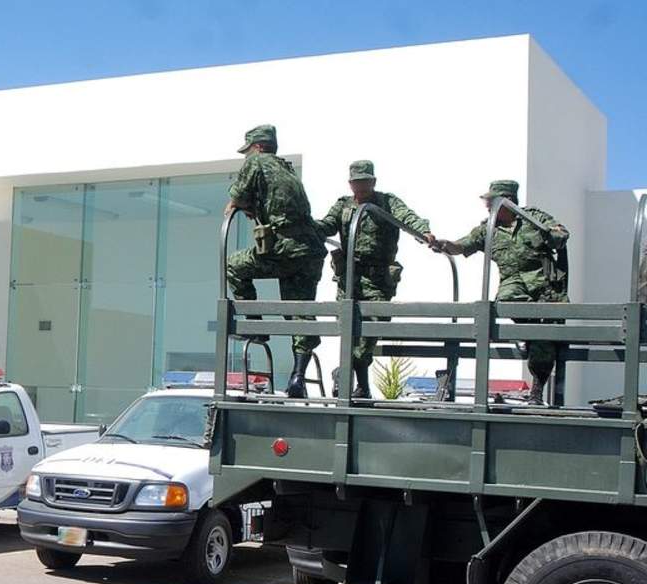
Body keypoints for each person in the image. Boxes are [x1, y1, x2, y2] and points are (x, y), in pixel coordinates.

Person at [433, 180, 570, 405]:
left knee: (543, 342)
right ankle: (526, 334)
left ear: (507, 201)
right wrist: (443, 245)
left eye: (492, 201)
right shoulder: (489, 229)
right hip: (514, 285)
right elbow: (462, 245)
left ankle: (536, 391)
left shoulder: (533, 218)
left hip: (544, 287)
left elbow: (561, 235)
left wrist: (551, 234)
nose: (488, 206)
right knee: (507, 301)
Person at [316, 160, 438, 398]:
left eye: (366, 181)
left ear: (374, 181)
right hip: (349, 278)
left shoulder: (387, 202)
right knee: (349, 333)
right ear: (350, 184)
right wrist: (304, 225)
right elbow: (327, 225)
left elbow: (407, 217)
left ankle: (344, 372)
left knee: (370, 330)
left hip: (377, 279)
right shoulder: (343, 205)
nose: (361, 186)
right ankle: (361, 386)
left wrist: (423, 232)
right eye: (357, 182)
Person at [224, 124, 328, 398]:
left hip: (285, 249)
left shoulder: (257, 162)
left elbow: (238, 194)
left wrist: (234, 204)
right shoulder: (286, 168)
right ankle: (298, 377)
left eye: (248, 150)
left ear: (258, 147)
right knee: (299, 312)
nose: (247, 156)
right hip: (309, 251)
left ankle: (255, 326)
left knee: (233, 265)